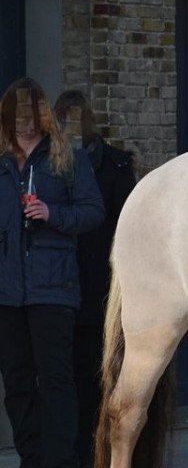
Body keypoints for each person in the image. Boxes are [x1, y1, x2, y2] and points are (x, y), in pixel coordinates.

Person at [0, 78, 105, 467]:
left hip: (53, 288)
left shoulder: (67, 158)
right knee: (18, 384)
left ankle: (61, 461)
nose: (26, 127)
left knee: (57, 381)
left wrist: (52, 213)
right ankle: (32, 459)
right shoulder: (2, 161)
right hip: (7, 293)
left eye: (32, 118)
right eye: (18, 119)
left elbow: (93, 211)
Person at [54, 90, 137, 467]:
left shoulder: (116, 168)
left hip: (99, 291)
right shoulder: (47, 165)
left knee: (96, 374)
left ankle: (99, 452)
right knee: (64, 376)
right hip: (59, 289)